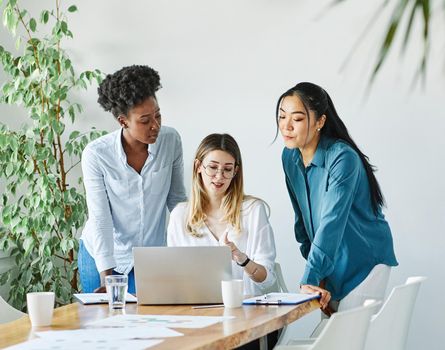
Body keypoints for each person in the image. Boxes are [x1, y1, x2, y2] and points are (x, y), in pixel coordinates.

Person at [276, 82, 398, 315]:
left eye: (298, 119)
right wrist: (317, 276)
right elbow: (301, 219)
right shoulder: (289, 156)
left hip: (364, 262)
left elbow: (331, 222)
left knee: (346, 340)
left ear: (320, 121)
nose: (287, 126)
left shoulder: (343, 158)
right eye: (282, 117)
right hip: (329, 264)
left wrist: (309, 277)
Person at [78, 65, 187, 294]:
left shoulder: (171, 141)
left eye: (157, 115)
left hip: (149, 257)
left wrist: (190, 254)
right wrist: (107, 278)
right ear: (122, 121)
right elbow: (100, 218)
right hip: (102, 254)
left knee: (150, 325)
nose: (155, 125)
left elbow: (177, 202)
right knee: (104, 324)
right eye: (145, 120)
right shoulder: (97, 154)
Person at [168, 133, 279, 350]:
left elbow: (267, 279)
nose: (219, 176)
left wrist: (241, 259)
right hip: (197, 319)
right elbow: (175, 280)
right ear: (198, 166)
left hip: (245, 320)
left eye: (228, 169)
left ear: (236, 171)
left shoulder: (252, 210)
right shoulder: (180, 215)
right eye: (213, 167)